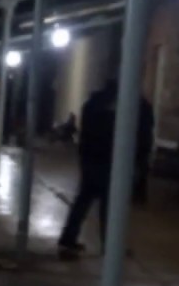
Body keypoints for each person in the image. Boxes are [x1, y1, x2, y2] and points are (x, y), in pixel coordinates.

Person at [57, 79, 154, 254]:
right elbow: (139, 136)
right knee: (109, 205)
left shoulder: (92, 106)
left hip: (92, 160)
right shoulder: (127, 108)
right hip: (110, 162)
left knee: (84, 200)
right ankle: (109, 245)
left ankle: (69, 237)